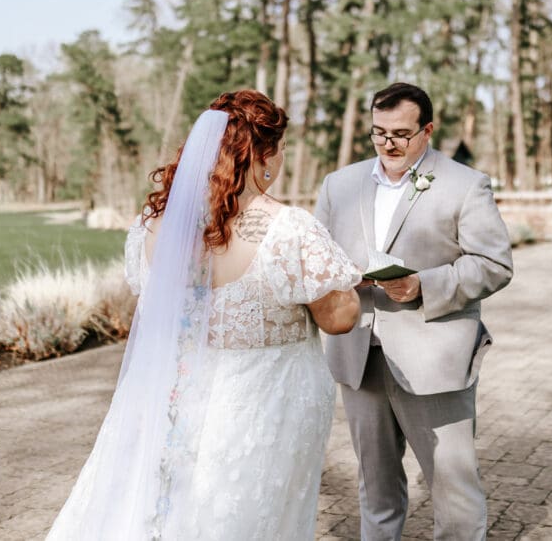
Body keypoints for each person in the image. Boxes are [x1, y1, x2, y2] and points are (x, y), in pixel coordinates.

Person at [48, 90, 361, 540]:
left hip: (177, 397)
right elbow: (339, 318)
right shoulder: (289, 228)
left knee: (174, 510)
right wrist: (345, 282)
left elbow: (159, 304)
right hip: (263, 406)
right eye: (281, 149)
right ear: (264, 156)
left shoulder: (154, 226)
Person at [315, 82, 514, 540]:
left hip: (434, 359)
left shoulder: (466, 184)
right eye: (379, 132)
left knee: (454, 490)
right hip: (359, 356)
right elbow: (317, 258)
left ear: (427, 130)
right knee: (376, 488)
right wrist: (340, 276)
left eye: (402, 134)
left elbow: (495, 264)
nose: (389, 144)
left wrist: (423, 284)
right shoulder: (338, 185)